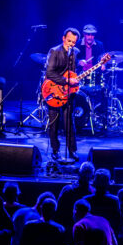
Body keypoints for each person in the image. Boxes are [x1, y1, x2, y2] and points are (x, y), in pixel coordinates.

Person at [45, 27, 82, 161]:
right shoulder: (55, 51)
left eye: (73, 42)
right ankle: (55, 150)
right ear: (63, 38)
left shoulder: (75, 52)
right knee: (54, 123)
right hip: (53, 90)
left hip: (68, 93)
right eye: (69, 41)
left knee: (69, 122)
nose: (71, 44)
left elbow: (73, 72)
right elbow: (49, 73)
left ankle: (72, 150)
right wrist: (66, 80)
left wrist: (75, 81)